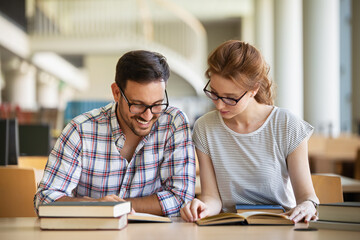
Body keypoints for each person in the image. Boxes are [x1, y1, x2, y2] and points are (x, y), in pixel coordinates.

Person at [34, 50, 196, 217]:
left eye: (157, 104)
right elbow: (44, 200)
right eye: (138, 104)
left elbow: (181, 198)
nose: (148, 116)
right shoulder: (80, 130)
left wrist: (118, 207)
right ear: (117, 93)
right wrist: (96, 206)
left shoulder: (173, 123)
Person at [180, 40, 319, 223]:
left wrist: (308, 205)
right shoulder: (205, 127)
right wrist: (202, 207)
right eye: (214, 93)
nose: (219, 105)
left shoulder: (287, 125)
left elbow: (306, 197)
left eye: (230, 98)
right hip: (229, 226)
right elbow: (212, 198)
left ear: (254, 89)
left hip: (281, 225)